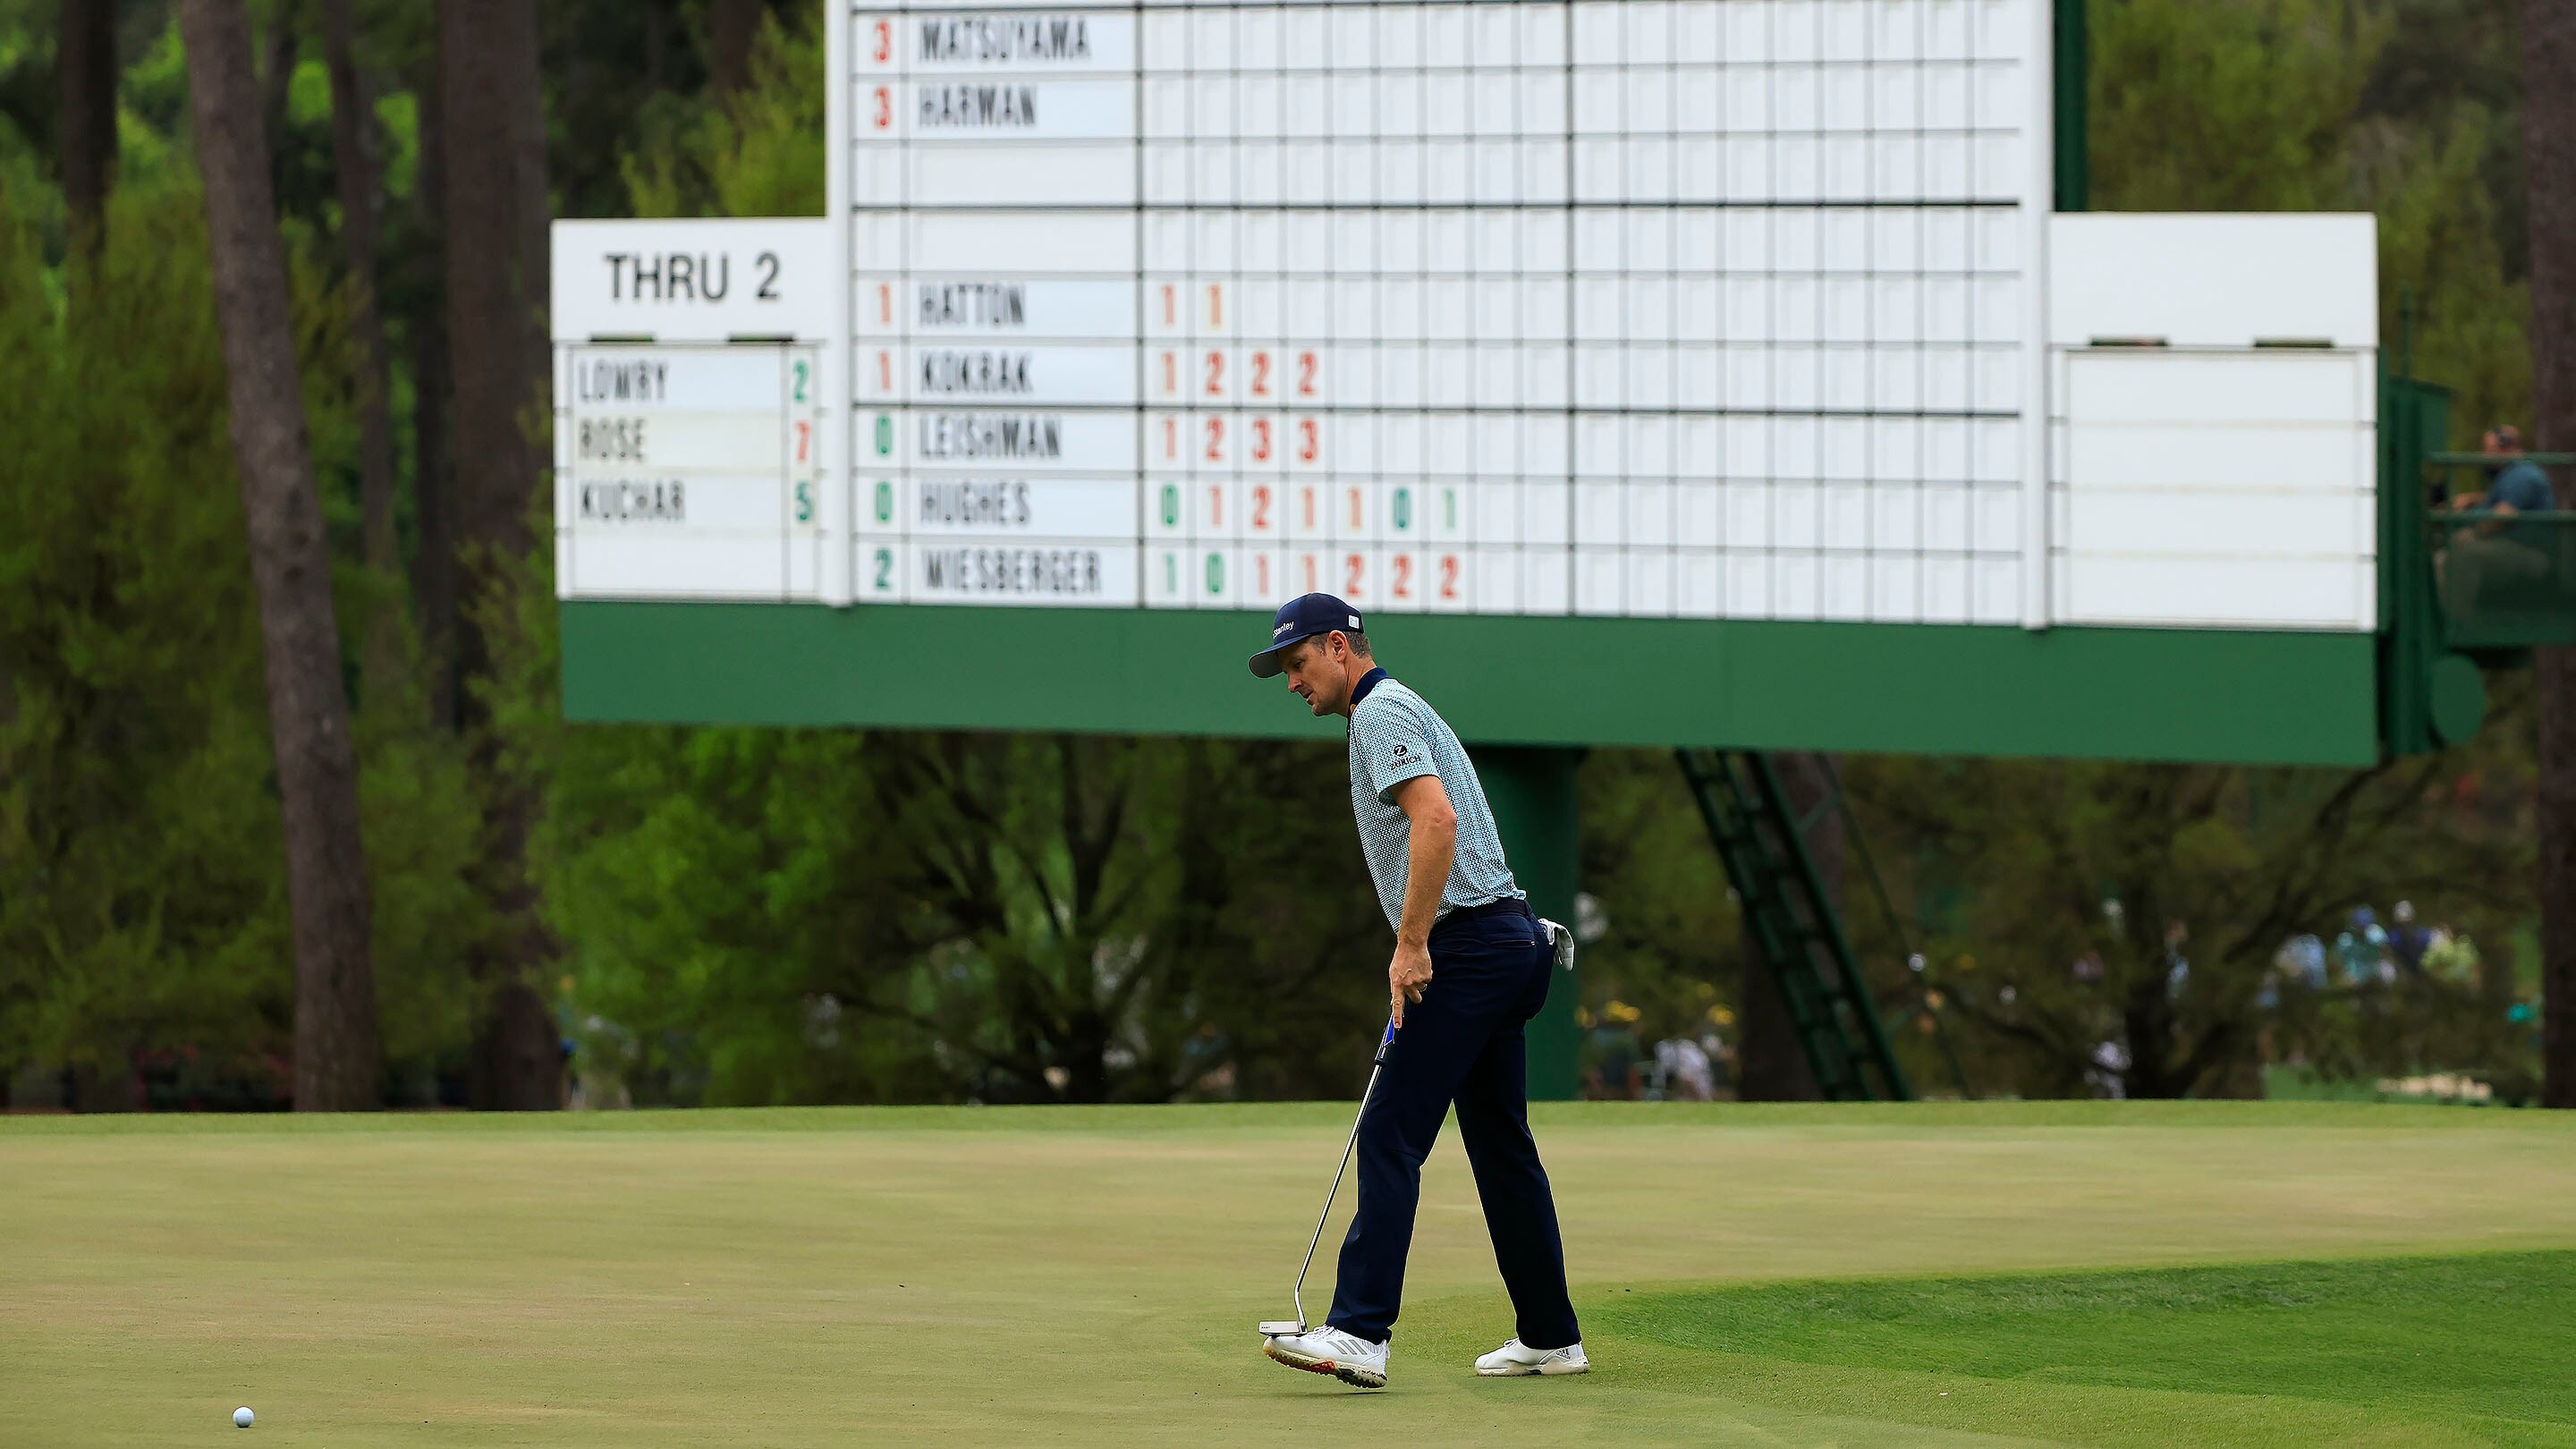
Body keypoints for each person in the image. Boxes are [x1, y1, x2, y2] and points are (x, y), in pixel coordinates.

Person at [1249, 594, 1588, 1390]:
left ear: (1339, 648)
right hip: (1510, 943)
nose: (1292, 682)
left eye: (1298, 664)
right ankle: (1550, 1336)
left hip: (1471, 948)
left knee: (1391, 1133)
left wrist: (1411, 945)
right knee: (1500, 1146)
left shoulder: (1379, 711)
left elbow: (1436, 820)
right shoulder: (1390, 709)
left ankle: (1360, 1331)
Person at [2442, 425, 2559, 618]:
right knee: (2447, 554)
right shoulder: (2511, 474)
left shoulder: (2523, 475)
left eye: (2489, 449)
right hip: (2511, 546)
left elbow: (2501, 517)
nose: (2484, 455)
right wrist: (2473, 499)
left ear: (2506, 449)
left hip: (2530, 553)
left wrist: (2473, 534)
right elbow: (2503, 499)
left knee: (2466, 555)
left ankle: (2456, 623)